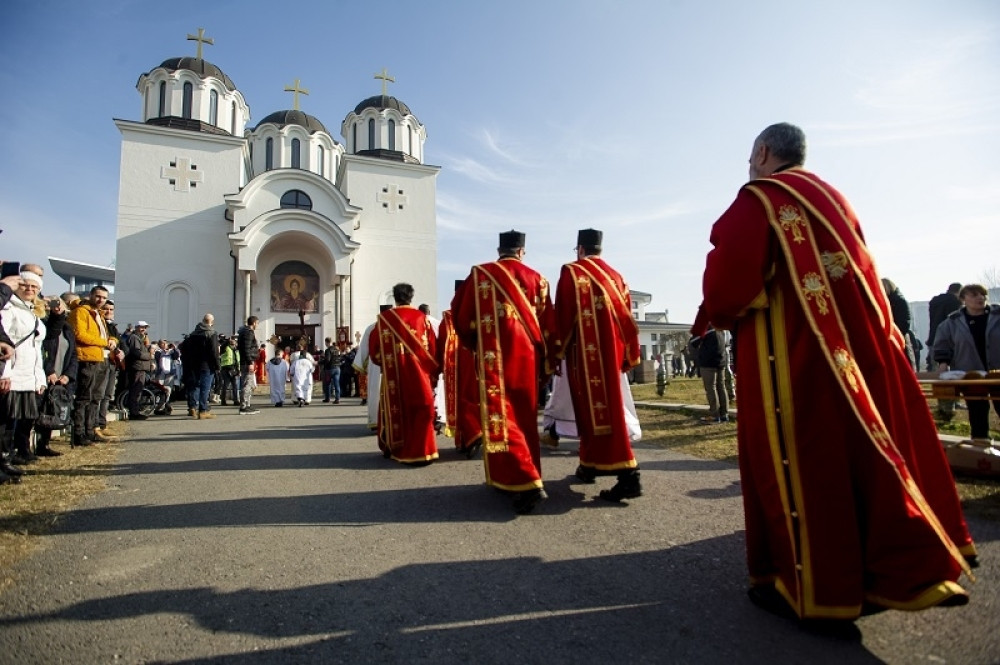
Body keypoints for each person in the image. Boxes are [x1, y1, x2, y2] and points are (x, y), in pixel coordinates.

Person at [698, 122, 975, 621]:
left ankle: (816, 589)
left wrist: (715, 312)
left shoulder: (761, 196)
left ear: (762, 153)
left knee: (802, 462)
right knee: (856, 458)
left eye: (749, 155)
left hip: (792, 353)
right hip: (856, 357)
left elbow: (728, 282)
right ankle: (874, 572)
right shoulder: (836, 200)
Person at [453, 231, 557, 513]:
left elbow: (460, 317)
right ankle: (510, 476)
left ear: (499, 250)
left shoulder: (480, 274)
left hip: (494, 357)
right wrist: (547, 363)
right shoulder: (539, 279)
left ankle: (527, 480)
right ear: (522, 251)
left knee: (502, 417)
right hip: (529, 360)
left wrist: (475, 341)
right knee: (523, 419)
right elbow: (549, 325)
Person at [553, 229, 643, 503]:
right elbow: (627, 319)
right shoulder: (617, 276)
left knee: (601, 412)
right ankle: (589, 464)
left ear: (580, 249)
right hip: (611, 353)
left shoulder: (571, 272)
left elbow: (564, 315)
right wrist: (628, 356)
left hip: (584, 353)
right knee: (598, 410)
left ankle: (630, 475)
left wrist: (556, 351)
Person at [368, 283, 439, 465]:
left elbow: (375, 351)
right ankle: (423, 450)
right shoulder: (423, 319)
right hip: (420, 374)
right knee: (420, 409)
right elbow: (432, 349)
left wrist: (387, 362)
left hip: (394, 375)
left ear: (395, 297)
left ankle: (395, 446)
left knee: (396, 410)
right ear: (411, 297)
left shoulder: (384, 320)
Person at [932, 284, 1000, 442]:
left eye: (983, 294)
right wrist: (943, 365)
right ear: (963, 299)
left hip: (997, 373)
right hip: (971, 374)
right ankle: (981, 446)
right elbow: (942, 344)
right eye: (974, 295)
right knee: (977, 411)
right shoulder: (952, 322)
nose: (980, 298)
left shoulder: (997, 316)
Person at [0, 268, 47, 465]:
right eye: (25, 284)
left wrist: (40, 378)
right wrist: (5, 373)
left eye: (34, 286)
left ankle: (19, 452)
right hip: (13, 371)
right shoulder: (9, 308)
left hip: (29, 373)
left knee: (24, 417)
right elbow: (4, 344)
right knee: (7, 420)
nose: (29, 289)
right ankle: (5, 458)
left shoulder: (33, 312)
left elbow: (37, 349)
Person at [437, 280, 482, 457]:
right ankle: (469, 437)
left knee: (461, 400)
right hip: (477, 362)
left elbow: (441, 343)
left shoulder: (448, 318)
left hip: (455, 365)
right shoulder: (479, 313)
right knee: (474, 398)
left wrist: (438, 368)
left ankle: (470, 434)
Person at [68, 286, 115, 448]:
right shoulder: (81, 311)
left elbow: (106, 336)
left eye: (104, 297)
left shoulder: (99, 314)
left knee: (96, 398)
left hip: (100, 358)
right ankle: (79, 433)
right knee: (84, 397)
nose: (101, 300)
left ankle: (91, 430)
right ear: (90, 296)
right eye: (98, 296)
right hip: (86, 358)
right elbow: (79, 334)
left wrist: (112, 341)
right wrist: (104, 342)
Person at [36, 296, 77, 457]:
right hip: (46, 374)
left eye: (58, 304)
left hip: (62, 374)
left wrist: (68, 375)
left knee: (53, 409)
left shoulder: (67, 329)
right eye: (51, 303)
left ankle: (44, 444)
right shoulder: (43, 326)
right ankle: (33, 445)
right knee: (41, 409)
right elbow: (41, 352)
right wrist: (49, 371)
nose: (55, 306)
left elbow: (74, 354)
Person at [355, 307, 391, 430]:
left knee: (376, 391)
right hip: (393, 364)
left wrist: (361, 366)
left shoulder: (372, 327)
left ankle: (376, 421)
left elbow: (364, 349)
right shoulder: (398, 325)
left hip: (376, 365)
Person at [180, 313, 220, 419]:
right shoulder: (212, 333)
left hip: (194, 364)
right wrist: (217, 365)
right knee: (205, 388)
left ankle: (192, 407)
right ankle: (203, 410)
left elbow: (185, 348)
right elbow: (214, 351)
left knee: (195, 386)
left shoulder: (194, 333)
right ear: (211, 321)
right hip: (207, 364)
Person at [689, 326, 730, 423]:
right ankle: (724, 414)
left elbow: (693, 342)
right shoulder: (721, 327)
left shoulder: (706, 327)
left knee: (711, 388)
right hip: (721, 360)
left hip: (708, 361)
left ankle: (714, 415)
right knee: (721, 387)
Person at [120, 320, 154, 420]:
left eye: (145, 328)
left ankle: (135, 411)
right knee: (136, 390)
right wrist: (149, 355)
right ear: (136, 327)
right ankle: (134, 413)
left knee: (137, 390)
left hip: (140, 367)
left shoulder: (139, 338)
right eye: (141, 327)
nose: (143, 329)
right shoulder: (134, 338)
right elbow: (136, 353)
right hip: (137, 367)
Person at [217, 335, 240, 406]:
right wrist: (227, 340)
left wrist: (239, 370)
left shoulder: (236, 350)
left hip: (233, 369)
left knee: (235, 386)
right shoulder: (225, 348)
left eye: (235, 341)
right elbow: (222, 346)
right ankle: (223, 400)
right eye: (233, 341)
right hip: (226, 368)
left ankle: (236, 400)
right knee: (226, 385)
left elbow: (237, 360)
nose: (234, 342)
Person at [320, 337, 342, 404]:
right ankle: (337, 399)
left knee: (328, 384)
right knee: (337, 384)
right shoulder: (337, 349)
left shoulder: (328, 350)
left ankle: (327, 398)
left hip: (330, 369)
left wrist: (320, 362)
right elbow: (340, 358)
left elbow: (327, 360)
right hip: (337, 368)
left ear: (326, 342)